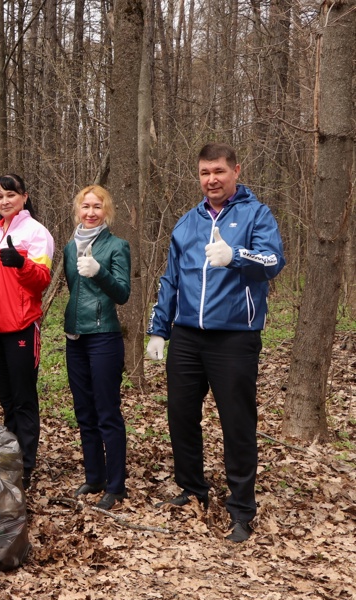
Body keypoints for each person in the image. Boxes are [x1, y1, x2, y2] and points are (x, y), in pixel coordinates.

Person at [147, 143, 286, 543]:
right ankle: (192, 489)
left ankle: (242, 508)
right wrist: (160, 329)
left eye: (219, 171)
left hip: (234, 337)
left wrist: (237, 254)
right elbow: (170, 279)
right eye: (205, 172)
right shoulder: (186, 223)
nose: (212, 179)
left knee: (237, 422)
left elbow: (274, 262)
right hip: (188, 336)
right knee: (181, 415)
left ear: (236, 171)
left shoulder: (255, 214)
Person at [0, 173, 54, 490]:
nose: (4, 201)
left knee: (23, 399)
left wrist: (21, 263)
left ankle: (26, 467)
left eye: (10, 195)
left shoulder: (36, 233)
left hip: (21, 326)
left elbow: (42, 280)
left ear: (24, 196)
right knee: (6, 400)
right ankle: (11, 458)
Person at [62, 185, 130, 510]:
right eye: (85, 206)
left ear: (106, 211)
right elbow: (74, 291)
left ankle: (116, 486)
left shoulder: (117, 246)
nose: (90, 212)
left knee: (107, 413)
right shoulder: (68, 248)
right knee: (84, 412)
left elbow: (122, 293)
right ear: (78, 210)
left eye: (97, 207)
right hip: (74, 337)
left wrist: (100, 272)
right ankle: (95, 477)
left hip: (104, 336)